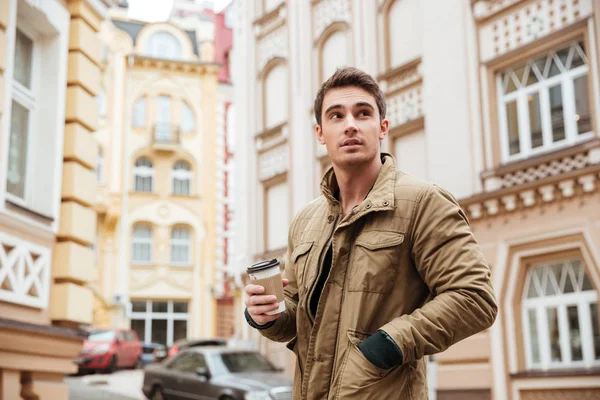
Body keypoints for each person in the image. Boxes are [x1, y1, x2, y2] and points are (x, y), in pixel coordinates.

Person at [244, 66, 498, 400]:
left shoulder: (423, 202)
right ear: (321, 133)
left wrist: (387, 345)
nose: (350, 124)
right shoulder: (306, 221)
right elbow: (296, 318)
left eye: (362, 113)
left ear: (382, 128)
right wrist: (265, 314)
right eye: (336, 116)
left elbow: (474, 297)